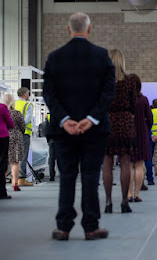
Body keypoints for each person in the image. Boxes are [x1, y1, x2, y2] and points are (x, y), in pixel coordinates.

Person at [43, 12, 115, 240]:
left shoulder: (54, 58)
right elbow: (108, 92)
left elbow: (49, 94)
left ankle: (63, 227)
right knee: (91, 177)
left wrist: (65, 120)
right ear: (89, 29)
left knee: (66, 176)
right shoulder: (102, 56)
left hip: (64, 131)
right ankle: (91, 226)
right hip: (94, 130)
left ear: (68, 29)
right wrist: (91, 118)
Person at [102, 50, 137, 214]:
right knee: (125, 163)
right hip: (125, 123)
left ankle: (108, 202)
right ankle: (124, 201)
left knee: (107, 163)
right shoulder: (130, 81)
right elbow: (133, 105)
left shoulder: (102, 80)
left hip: (107, 123)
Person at [127, 74, 153, 203]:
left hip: (127, 134)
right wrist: (145, 128)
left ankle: (127, 194)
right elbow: (149, 117)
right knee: (139, 165)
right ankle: (136, 194)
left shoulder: (125, 99)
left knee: (129, 165)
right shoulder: (143, 100)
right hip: (141, 135)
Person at [3, 94, 25, 191]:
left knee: (4, 162)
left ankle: (2, 184)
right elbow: (23, 127)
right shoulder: (17, 113)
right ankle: (15, 183)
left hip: (4, 137)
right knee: (15, 162)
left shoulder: (2, 112)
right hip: (16, 138)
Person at [15, 87, 33, 186]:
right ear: (25, 94)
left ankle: (13, 177)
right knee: (23, 155)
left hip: (13, 133)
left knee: (14, 155)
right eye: (28, 94)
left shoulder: (14, 104)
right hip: (24, 133)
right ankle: (21, 178)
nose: (29, 96)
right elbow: (27, 119)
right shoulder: (28, 105)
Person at [0, 101, 14, 199]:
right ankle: (1, 192)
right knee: (2, 164)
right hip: (2, 137)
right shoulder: (2, 107)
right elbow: (11, 123)